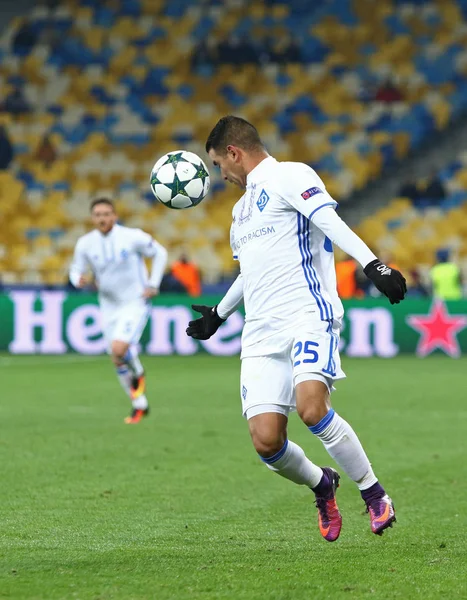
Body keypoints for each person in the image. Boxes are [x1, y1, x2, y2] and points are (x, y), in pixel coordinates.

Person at [186, 116, 406, 542]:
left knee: (311, 409)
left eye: (217, 164)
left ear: (234, 152)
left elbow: (331, 223)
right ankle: (323, 485)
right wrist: (219, 314)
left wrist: (372, 265)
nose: (220, 174)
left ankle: (374, 493)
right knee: (267, 442)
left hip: (307, 315)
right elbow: (251, 273)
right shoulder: (240, 210)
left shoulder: (291, 175)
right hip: (261, 333)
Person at [69, 198, 168, 424]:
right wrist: (78, 280)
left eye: (106, 214)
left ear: (114, 216)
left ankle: (138, 373)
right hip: (108, 305)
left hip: (134, 302)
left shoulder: (132, 237)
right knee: (117, 357)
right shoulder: (85, 244)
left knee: (118, 348)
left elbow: (160, 253)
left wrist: (153, 283)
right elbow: (75, 270)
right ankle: (139, 403)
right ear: (92, 218)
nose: (102, 218)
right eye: (97, 214)